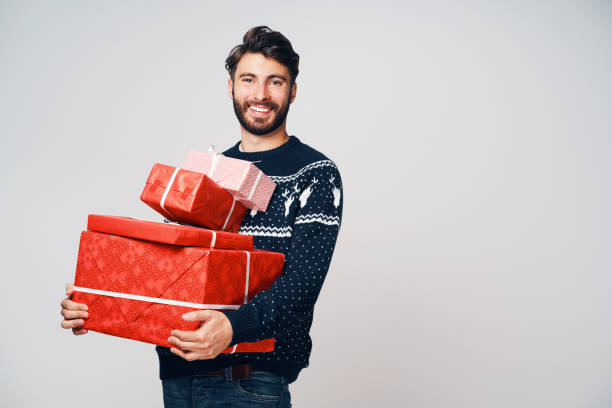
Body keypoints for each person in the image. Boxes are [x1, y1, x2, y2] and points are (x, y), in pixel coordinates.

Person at [61, 26, 343, 407]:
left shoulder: (314, 173)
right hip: (180, 377)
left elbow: (302, 282)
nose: (260, 94)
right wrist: (98, 301)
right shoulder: (207, 174)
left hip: (247, 382)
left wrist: (232, 328)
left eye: (274, 82)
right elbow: (168, 271)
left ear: (292, 91)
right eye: (249, 79)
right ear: (231, 87)